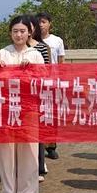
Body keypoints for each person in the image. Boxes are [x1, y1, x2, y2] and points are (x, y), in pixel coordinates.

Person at [0, 15, 44, 193]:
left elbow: (44, 81)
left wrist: (32, 71)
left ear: (30, 32)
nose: (19, 35)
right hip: (5, 109)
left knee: (29, 150)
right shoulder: (0, 54)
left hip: (28, 109)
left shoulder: (36, 55)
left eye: (22, 31)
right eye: (15, 31)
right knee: (6, 152)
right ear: (10, 33)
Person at [37, 12, 64, 160]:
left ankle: (51, 145)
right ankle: (39, 144)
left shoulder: (57, 41)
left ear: (49, 23)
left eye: (44, 21)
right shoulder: (32, 41)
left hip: (52, 82)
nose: (41, 24)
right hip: (37, 83)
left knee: (51, 115)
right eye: (39, 22)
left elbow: (61, 62)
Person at [27, 15, 51, 182]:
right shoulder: (11, 50)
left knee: (37, 133)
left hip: (37, 94)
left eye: (28, 28)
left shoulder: (42, 47)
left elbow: (47, 70)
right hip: (19, 96)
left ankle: (39, 166)